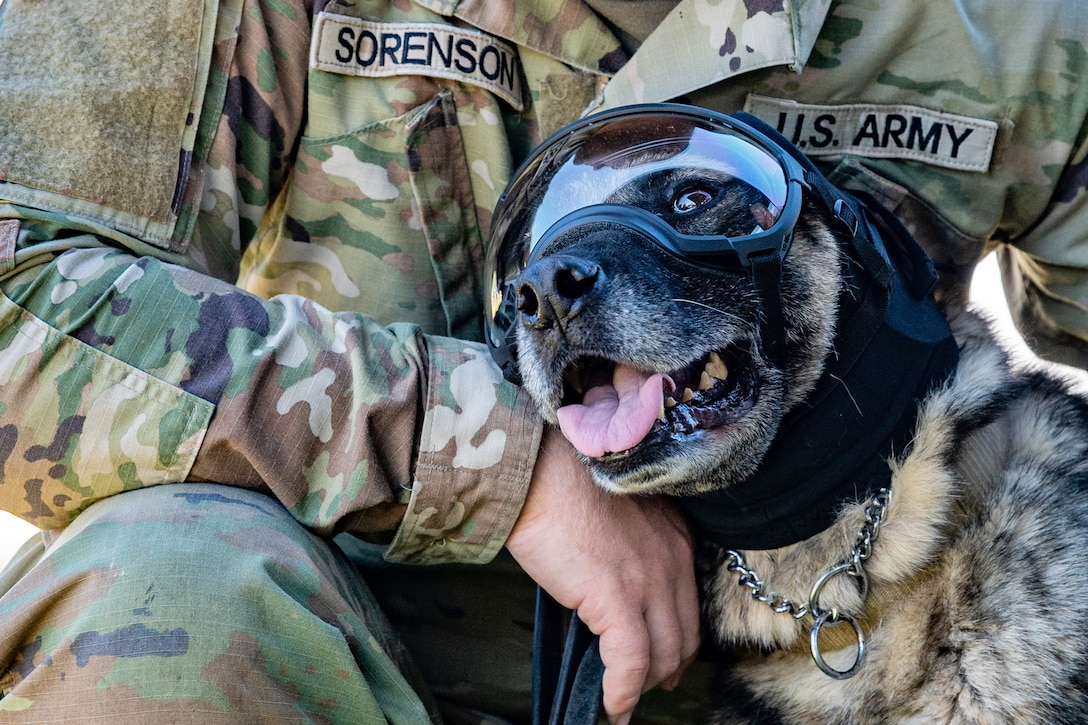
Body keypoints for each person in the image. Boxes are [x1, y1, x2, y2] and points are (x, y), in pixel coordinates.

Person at [1, 0, 1087, 722]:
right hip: (368, 666)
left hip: (854, 670)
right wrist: (488, 459)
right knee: (165, 585)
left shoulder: (1007, 27)